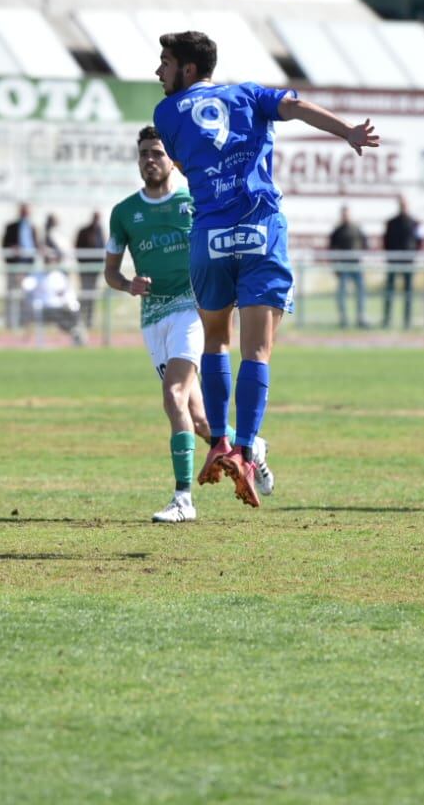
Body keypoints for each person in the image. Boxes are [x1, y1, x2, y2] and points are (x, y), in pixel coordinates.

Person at [151, 29, 378, 506]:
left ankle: (219, 442)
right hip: (260, 230)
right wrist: (349, 133)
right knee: (257, 351)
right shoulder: (250, 94)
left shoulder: (166, 113)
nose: (159, 71)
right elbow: (294, 108)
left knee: (216, 340)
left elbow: (184, 161)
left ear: (188, 70)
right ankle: (249, 450)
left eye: (165, 63)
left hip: (210, 234)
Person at [104, 126, 274, 523]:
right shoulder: (125, 213)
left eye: (158, 153)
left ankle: (183, 499)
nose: (150, 159)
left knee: (173, 395)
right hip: (153, 319)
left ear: (172, 160)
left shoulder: (194, 202)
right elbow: (110, 272)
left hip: (190, 310)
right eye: (144, 153)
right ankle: (253, 448)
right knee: (200, 421)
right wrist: (129, 284)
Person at [25, 250, 85, 345]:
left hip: (59, 308)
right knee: (61, 318)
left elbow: (68, 294)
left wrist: (70, 303)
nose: (51, 263)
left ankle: (77, 332)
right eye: (48, 261)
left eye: (53, 261)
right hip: (44, 308)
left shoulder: (59, 276)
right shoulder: (37, 275)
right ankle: (74, 331)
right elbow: (27, 285)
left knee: (73, 310)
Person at [382, 196, 422, 329]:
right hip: (393, 261)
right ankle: (387, 319)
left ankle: (407, 320)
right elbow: (386, 241)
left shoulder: (414, 222)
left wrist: (414, 254)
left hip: (408, 262)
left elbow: (420, 240)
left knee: (408, 292)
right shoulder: (391, 223)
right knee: (389, 291)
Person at [327, 206, 368, 329]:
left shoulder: (357, 229)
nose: (346, 216)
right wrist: (335, 266)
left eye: (347, 214)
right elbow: (332, 249)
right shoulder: (337, 231)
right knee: (342, 294)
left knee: (360, 292)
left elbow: (365, 244)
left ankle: (361, 318)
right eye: (344, 214)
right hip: (343, 266)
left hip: (356, 265)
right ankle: (343, 319)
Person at [0, 203, 39, 331]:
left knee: (26, 297)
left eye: (27, 212)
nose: (25, 214)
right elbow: (4, 246)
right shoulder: (11, 227)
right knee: (12, 296)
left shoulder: (33, 227)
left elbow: (35, 247)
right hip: (14, 267)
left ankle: (24, 323)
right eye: (23, 212)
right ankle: (11, 324)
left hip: (28, 268)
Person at [73, 211, 106, 329]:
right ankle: (80, 320)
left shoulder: (100, 231)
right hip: (85, 270)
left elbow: (103, 249)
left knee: (92, 297)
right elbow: (77, 249)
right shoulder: (84, 231)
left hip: (95, 271)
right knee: (85, 296)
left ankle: (89, 321)